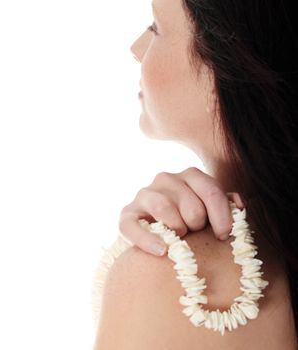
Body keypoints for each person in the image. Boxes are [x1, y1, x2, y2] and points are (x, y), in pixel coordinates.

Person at [93, 0, 298, 348]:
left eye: (156, 27)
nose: (136, 48)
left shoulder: (181, 281)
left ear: (229, 64)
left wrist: (166, 257)